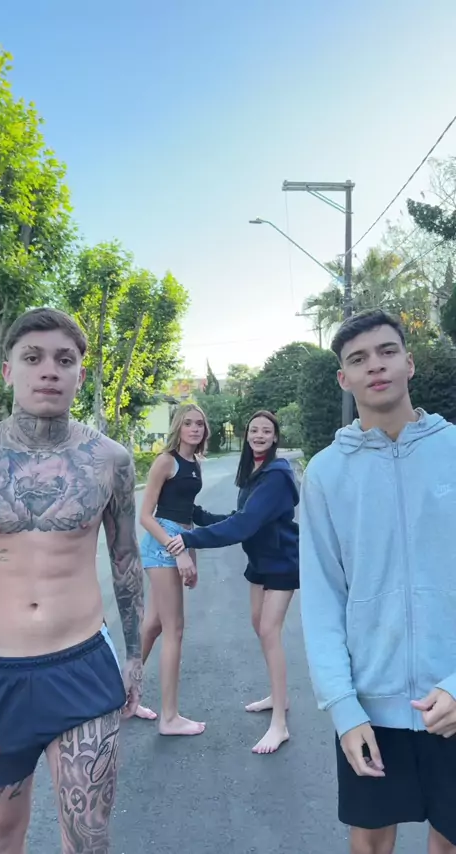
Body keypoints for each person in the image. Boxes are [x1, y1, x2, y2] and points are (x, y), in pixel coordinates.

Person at [0, 307, 143, 854]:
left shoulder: (111, 461)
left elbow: (125, 558)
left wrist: (134, 655)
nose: (49, 369)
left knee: (88, 840)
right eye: (33, 357)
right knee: (0, 836)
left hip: (80, 666)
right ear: (8, 371)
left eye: (64, 360)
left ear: (79, 374)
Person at [299, 308, 456, 854]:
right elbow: (322, 600)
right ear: (343, 378)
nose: (376, 366)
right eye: (359, 358)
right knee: (369, 842)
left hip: (450, 695)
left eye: (387, 351)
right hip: (368, 707)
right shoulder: (325, 474)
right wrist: (344, 710)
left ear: (409, 363)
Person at [167, 410, 299, 755]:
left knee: (269, 631)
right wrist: (197, 515)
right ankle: (279, 697)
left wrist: (190, 539)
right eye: (254, 430)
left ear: (275, 437)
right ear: (246, 435)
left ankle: (280, 725)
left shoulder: (276, 475)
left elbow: (243, 526)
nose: (259, 435)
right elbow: (238, 517)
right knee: (259, 626)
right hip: (260, 562)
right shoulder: (254, 472)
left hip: (282, 562)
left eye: (266, 431)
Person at [138, 403, 220, 736]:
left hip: (180, 540)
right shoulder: (165, 461)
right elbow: (146, 516)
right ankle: (169, 718)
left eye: (199, 423)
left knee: (153, 626)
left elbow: (188, 513)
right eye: (188, 423)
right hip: (162, 543)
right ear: (178, 427)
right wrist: (179, 551)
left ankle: (119, 697)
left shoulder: (195, 463)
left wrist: (193, 551)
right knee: (175, 629)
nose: (195, 428)